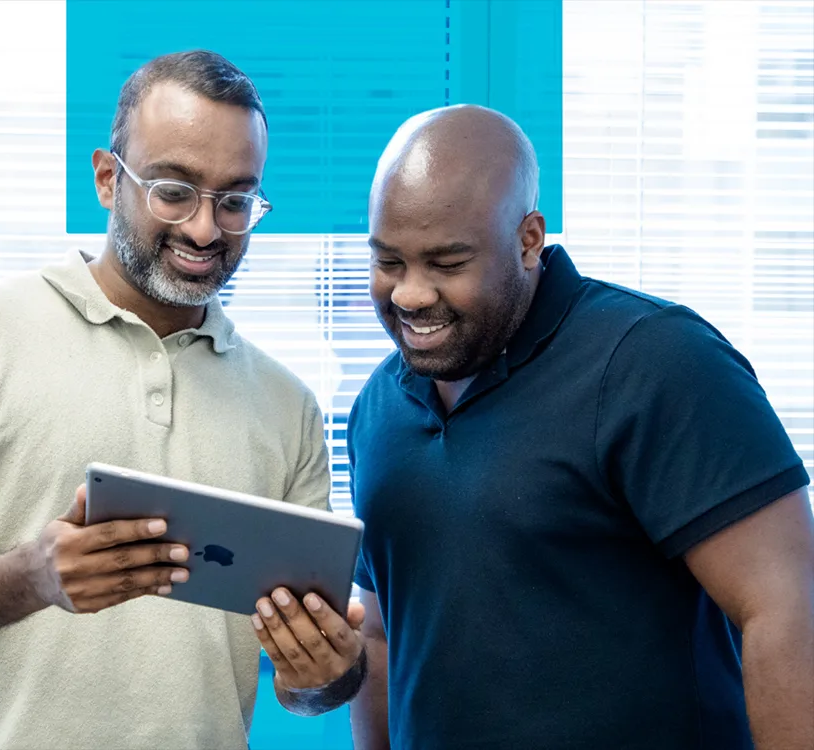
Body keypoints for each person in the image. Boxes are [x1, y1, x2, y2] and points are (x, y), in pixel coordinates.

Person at [0, 50, 361, 750]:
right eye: (175, 191)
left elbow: (308, 688)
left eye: (235, 201)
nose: (206, 230)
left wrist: (325, 672)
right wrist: (33, 578)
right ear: (109, 179)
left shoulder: (287, 407)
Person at [346, 105, 814, 749]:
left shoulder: (658, 362)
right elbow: (383, 635)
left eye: (447, 264)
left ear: (528, 239)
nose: (411, 295)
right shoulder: (377, 406)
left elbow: (787, 607)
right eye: (389, 262)